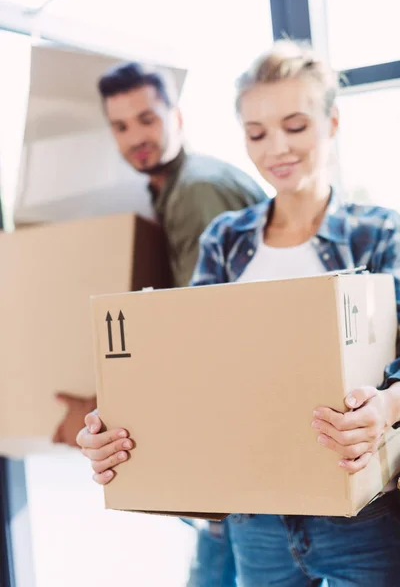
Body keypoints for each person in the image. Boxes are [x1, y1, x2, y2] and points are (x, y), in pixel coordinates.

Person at [77, 40, 400, 585]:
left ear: (332, 123)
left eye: (295, 126)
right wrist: (113, 430)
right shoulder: (224, 239)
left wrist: (387, 407)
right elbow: (188, 375)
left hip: (364, 519)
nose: (277, 147)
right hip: (258, 524)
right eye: (256, 133)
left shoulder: (381, 232)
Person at [57, 61, 266, 586]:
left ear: (176, 116)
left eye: (147, 119)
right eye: (121, 126)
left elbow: (205, 329)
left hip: (237, 436)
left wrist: (111, 406)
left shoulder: (198, 191)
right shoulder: (173, 190)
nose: (136, 138)